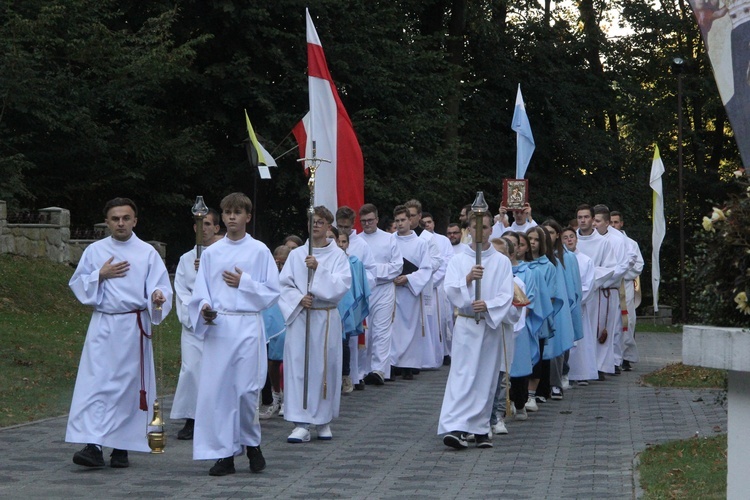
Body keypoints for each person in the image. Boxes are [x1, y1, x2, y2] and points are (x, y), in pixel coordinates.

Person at [67, 197, 172, 469]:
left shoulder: (147, 252)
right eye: (115, 219)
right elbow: (79, 284)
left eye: (126, 218)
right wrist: (99, 275)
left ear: (135, 220)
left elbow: (160, 287)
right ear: (107, 222)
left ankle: (122, 446)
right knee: (97, 385)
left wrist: (158, 296)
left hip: (133, 327)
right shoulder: (95, 250)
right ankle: (93, 444)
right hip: (104, 325)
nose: (121, 223)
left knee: (128, 389)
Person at [189, 192, 280, 476]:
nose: (231, 217)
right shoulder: (212, 253)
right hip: (220, 328)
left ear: (247, 217)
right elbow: (200, 291)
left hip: (248, 326)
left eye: (237, 213)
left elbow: (272, 292)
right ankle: (225, 454)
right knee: (219, 393)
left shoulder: (259, 251)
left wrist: (245, 282)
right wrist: (204, 308)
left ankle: (251, 444)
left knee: (245, 391)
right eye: (227, 212)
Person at [438, 210, 517, 449]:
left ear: (491, 230)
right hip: (466, 323)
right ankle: (457, 427)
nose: (479, 232)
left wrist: (489, 305)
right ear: (468, 230)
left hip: (489, 325)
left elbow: (507, 294)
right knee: (463, 375)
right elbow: (449, 289)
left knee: (485, 376)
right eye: (475, 228)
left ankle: (481, 428)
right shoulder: (458, 259)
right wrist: (468, 279)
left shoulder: (502, 261)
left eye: (484, 228)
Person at [279, 206, 352, 443]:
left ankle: (323, 420)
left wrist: (318, 270)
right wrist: (300, 298)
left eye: (321, 222)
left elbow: (341, 287)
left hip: (326, 317)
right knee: (300, 366)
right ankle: (301, 422)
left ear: (329, 226)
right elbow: (284, 286)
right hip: (302, 316)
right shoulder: (296, 254)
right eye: (313, 221)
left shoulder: (338, 256)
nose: (316, 225)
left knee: (325, 368)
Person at [171, 208, 221, 441]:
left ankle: (216, 417)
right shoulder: (185, 259)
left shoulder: (223, 255)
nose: (204, 229)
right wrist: (196, 311)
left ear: (216, 228)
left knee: (217, 370)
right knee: (191, 369)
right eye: (200, 225)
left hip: (219, 323)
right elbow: (181, 292)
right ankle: (191, 418)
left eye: (209, 224)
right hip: (194, 324)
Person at [575, 204, 622, 379]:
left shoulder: (603, 242)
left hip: (595, 291)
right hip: (575, 293)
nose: (583, 220)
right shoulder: (572, 240)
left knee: (596, 329)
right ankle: (578, 367)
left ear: (593, 219)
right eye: (580, 217)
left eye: (586, 217)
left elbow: (609, 267)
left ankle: (598, 366)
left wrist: (590, 280)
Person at [359, 204, 403, 385]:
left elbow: (397, 266)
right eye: (363, 221)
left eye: (370, 220)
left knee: (382, 330)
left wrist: (372, 271)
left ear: (377, 219)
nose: (367, 223)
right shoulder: (358, 241)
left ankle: (379, 370)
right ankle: (362, 371)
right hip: (363, 290)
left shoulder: (389, 239)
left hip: (384, 288)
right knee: (364, 331)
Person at [592, 204, 638, 373]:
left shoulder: (618, 240)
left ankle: (615, 361)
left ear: (606, 222)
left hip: (611, 288)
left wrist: (604, 278)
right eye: (593, 220)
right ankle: (594, 363)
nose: (594, 224)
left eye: (597, 221)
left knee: (614, 326)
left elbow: (623, 264)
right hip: (592, 289)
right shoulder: (586, 237)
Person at [336, 206, 376, 390]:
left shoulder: (361, 245)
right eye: (340, 226)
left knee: (352, 339)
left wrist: (357, 281)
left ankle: (354, 375)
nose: (342, 230)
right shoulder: (332, 242)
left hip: (354, 294)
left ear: (353, 224)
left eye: (346, 226)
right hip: (337, 295)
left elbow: (371, 271)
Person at [391, 205, 433, 380]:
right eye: (397, 221)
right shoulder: (390, 240)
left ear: (410, 221)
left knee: (411, 327)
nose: (400, 224)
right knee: (393, 328)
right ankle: (393, 363)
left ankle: (409, 365)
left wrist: (408, 278)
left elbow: (426, 269)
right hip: (392, 289)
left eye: (403, 220)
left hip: (410, 290)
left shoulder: (421, 244)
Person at [405, 199, 444, 370]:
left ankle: (424, 359)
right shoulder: (399, 236)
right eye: (407, 216)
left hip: (421, 285)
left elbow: (437, 261)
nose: (410, 219)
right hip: (403, 285)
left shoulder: (427, 237)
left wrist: (420, 268)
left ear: (419, 216)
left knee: (422, 323)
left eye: (413, 216)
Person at [560, 227, 602, 385]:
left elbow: (589, 284)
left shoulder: (586, 260)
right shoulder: (559, 259)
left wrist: (575, 300)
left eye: (572, 236)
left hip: (579, 306)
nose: (569, 240)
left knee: (581, 342)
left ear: (576, 239)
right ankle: (565, 373)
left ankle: (581, 373)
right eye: (565, 237)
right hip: (563, 307)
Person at [259, 245, 292, 419]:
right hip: (270, 321)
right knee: (271, 361)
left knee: (285, 362)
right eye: (276, 262)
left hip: (287, 321)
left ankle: (287, 399)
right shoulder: (268, 275)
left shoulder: (293, 275)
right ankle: (275, 397)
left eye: (283, 263)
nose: (279, 266)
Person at [609, 211, 644, 371]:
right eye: (611, 222)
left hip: (626, 285)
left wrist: (622, 273)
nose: (613, 226)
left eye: (616, 222)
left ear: (621, 223)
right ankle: (611, 357)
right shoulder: (606, 242)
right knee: (610, 322)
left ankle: (626, 357)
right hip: (610, 285)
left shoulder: (631, 243)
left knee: (627, 321)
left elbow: (638, 265)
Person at [422, 211, 455, 365]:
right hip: (420, 287)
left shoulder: (443, 240)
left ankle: (444, 352)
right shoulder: (418, 239)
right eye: (424, 223)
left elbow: (446, 263)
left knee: (442, 320)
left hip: (438, 286)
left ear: (433, 223)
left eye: (429, 222)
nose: (427, 225)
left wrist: (430, 282)